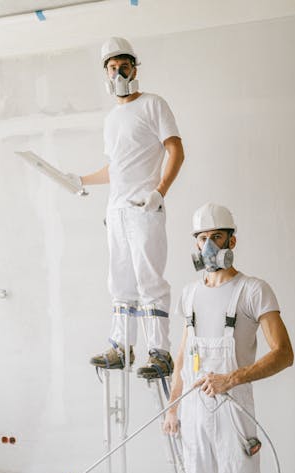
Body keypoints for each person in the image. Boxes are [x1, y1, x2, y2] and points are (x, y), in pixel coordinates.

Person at [162, 202, 293, 473]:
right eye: (201, 238)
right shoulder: (189, 293)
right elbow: (183, 355)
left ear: (232, 241)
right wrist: (173, 404)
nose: (207, 245)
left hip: (235, 412)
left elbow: (284, 354)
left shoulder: (254, 291)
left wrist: (234, 377)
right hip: (196, 411)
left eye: (216, 236)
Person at [75, 36, 184, 378]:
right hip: (117, 210)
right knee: (120, 282)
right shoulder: (111, 119)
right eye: (112, 68)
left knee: (148, 279)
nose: (118, 72)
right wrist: (80, 180)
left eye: (124, 66)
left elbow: (176, 150)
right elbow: (116, 168)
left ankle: (160, 352)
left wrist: (160, 192)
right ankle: (121, 347)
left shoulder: (153, 105)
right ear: (105, 74)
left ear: (135, 68)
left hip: (144, 206)